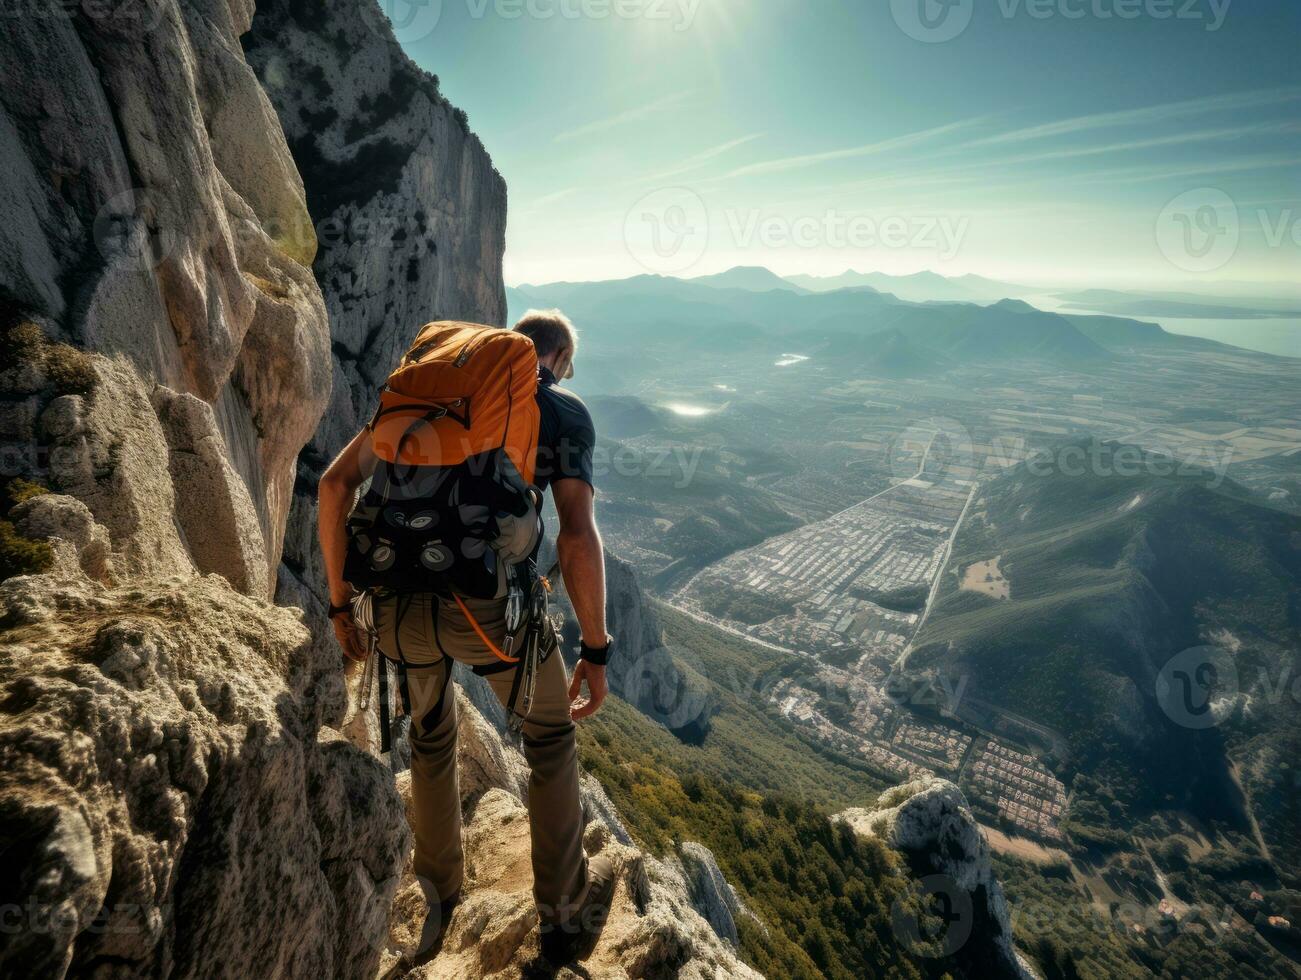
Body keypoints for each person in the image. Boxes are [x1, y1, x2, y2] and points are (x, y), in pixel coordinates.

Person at [317, 309, 616, 971]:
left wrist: (340, 603)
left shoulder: (428, 399)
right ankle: (564, 919)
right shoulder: (560, 412)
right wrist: (595, 648)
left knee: (429, 734)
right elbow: (574, 536)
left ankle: (439, 894)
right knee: (546, 739)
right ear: (558, 358)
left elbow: (334, 485)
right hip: (492, 609)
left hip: (394, 600)